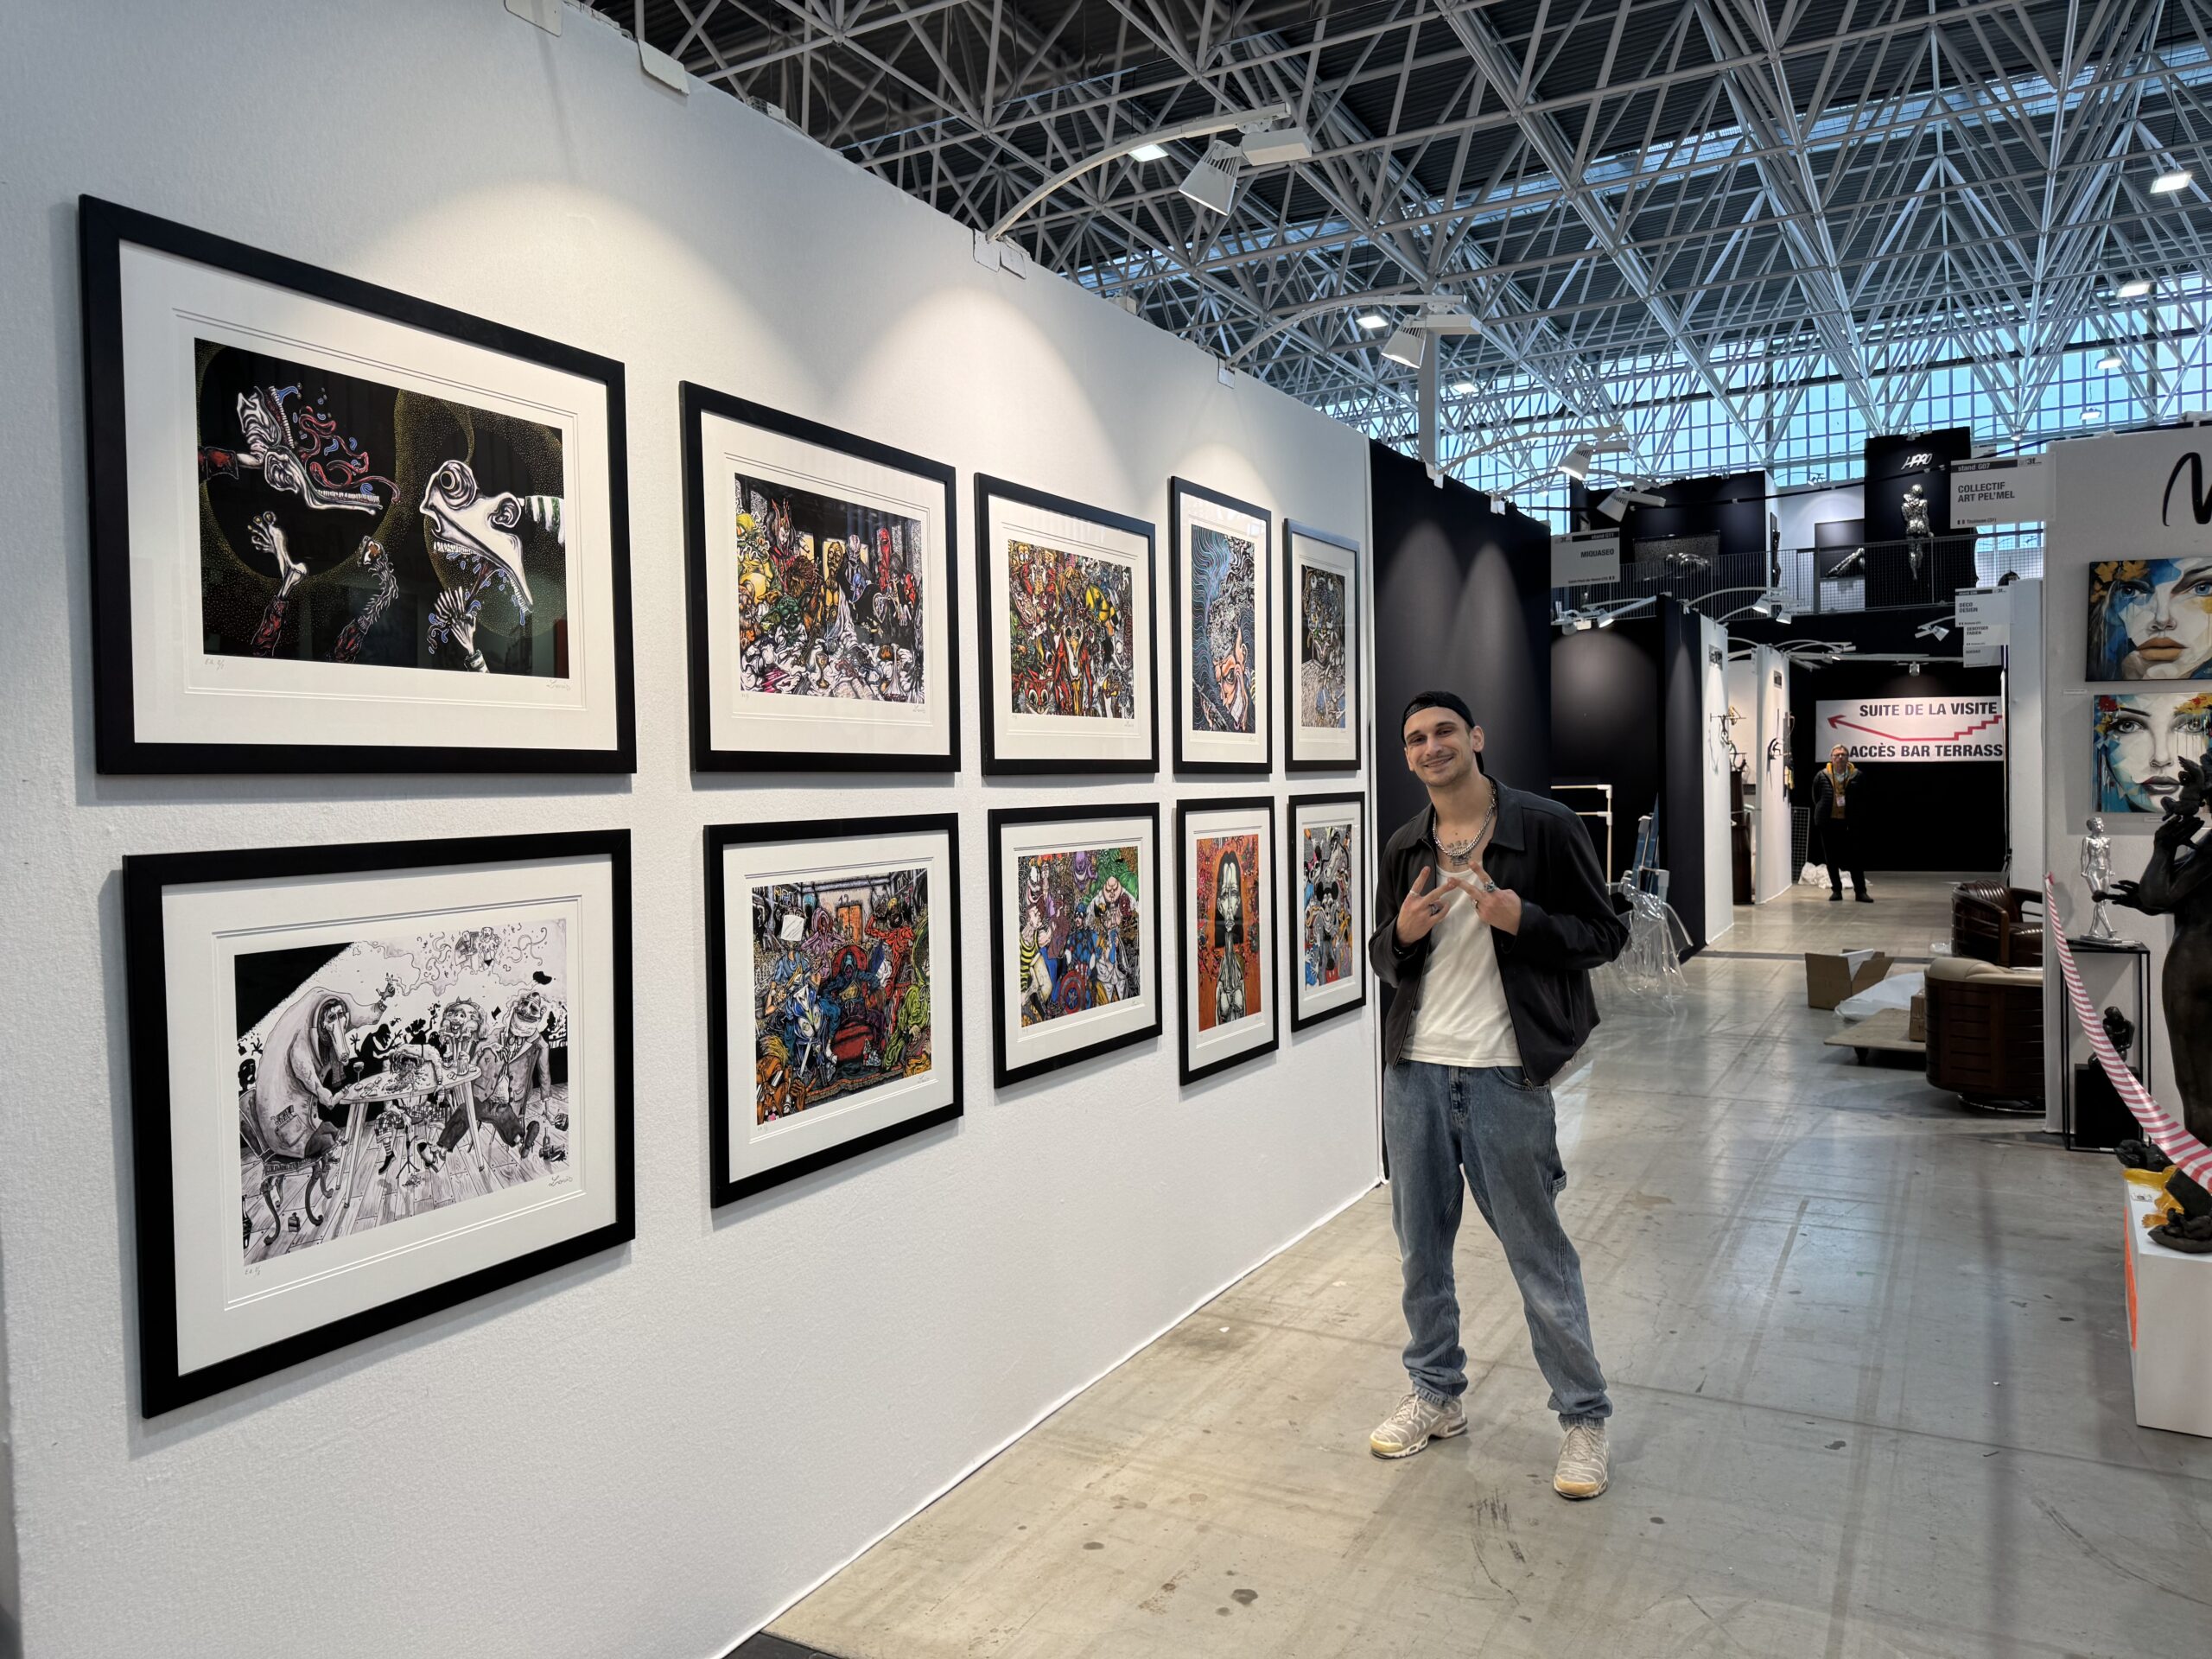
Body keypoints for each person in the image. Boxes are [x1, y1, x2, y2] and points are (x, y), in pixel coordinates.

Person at [1368, 690, 1629, 1499]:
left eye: (1445, 731)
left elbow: (1607, 933)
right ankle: (1436, 1393)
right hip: (1414, 1072)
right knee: (1420, 1252)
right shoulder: (1405, 844)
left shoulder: (1545, 827)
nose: (1431, 746)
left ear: (1476, 738)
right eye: (1416, 738)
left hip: (1504, 1074)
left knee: (1537, 1253)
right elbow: (1381, 954)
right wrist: (1401, 936)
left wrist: (1526, 920)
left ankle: (1584, 1418)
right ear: (1407, 756)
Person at [1813, 742, 1870, 901]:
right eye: (1836, 755)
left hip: (1850, 823)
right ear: (1831, 758)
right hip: (1828, 822)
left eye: (1843, 755)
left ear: (1848, 758)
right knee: (1831, 859)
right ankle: (1836, 890)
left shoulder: (1857, 775)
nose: (1840, 757)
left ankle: (1860, 892)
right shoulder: (1821, 775)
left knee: (1855, 858)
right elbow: (1816, 797)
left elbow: (1864, 797)